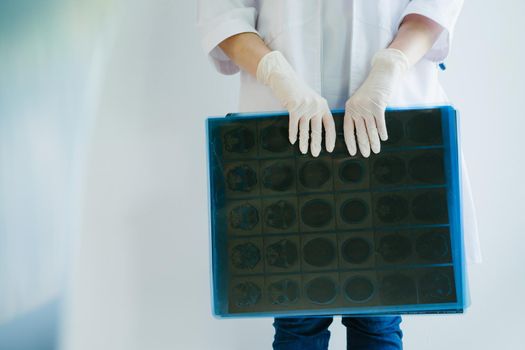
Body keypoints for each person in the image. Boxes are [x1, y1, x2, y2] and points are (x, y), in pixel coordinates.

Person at [197, 1, 481, 349]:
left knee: (377, 318)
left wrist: (390, 66)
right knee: (297, 317)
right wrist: (278, 74)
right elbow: (222, 12)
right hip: (284, 125)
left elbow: (436, 5)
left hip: (385, 126)